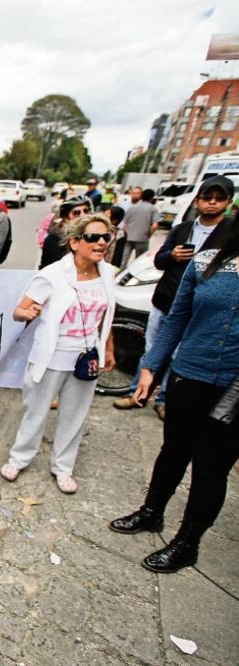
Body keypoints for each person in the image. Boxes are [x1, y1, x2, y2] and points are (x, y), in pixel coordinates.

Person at [108, 201, 239, 573]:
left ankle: (187, 543)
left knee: (211, 469)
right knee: (173, 451)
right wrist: (151, 366)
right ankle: (151, 513)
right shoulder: (207, 262)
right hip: (188, 375)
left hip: (234, 390)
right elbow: (176, 319)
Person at [0, 213, 116, 494]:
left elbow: (105, 318)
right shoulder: (51, 275)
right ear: (75, 242)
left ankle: (63, 467)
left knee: (75, 415)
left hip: (86, 358)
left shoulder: (108, 274)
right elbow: (19, 310)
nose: (101, 242)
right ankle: (19, 458)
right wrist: (25, 312)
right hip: (51, 356)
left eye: (106, 237)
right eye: (93, 237)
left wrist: (108, 348)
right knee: (35, 411)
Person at [113, 176, 235, 420]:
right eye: (207, 197)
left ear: (228, 202)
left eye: (219, 198)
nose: (212, 203)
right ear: (197, 201)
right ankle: (138, 392)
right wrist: (173, 256)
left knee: (179, 355)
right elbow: (159, 259)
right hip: (167, 299)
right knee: (153, 349)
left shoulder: (230, 232)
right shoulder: (182, 229)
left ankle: (165, 399)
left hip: (198, 308)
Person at [40, 195, 91, 269]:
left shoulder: (92, 235)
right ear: (66, 218)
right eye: (76, 213)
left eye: (86, 211)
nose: (83, 215)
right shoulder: (54, 239)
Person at [119, 187, 159, 269]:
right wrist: (148, 235)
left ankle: (119, 275)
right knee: (139, 261)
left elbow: (125, 225)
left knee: (123, 260)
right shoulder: (153, 209)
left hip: (129, 237)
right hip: (142, 238)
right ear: (152, 198)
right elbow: (155, 226)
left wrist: (126, 234)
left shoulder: (132, 207)